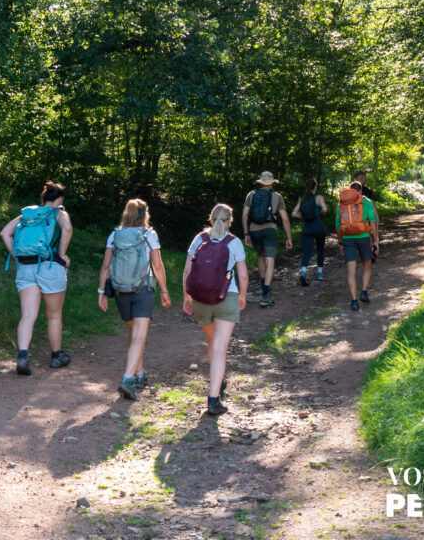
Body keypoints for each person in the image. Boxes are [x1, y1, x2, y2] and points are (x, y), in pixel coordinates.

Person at [98, 198, 171, 400]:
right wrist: (164, 290)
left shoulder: (115, 235)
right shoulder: (149, 234)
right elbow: (157, 265)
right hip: (143, 290)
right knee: (139, 335)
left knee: (132, 333)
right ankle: (128, 378)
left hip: (121, 290)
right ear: (145, 215)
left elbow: (105, 266)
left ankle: (139, 373)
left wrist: (101, 291)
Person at [0, 180, 73, 376]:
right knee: (54, 315)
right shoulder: (59, 212)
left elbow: (5, 232)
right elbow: (66, 228)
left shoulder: (28, 214)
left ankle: (23, 356)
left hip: (26, 268)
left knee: (28, 315)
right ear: (59, 198)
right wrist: (63, 253)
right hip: (50, 266)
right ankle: (57, 356)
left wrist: (15, 254)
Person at [183, 203, 248, 416]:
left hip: (200, 299)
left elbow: (187, 270)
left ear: (211, 220)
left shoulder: (199, 239)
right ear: (230, 222)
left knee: (212, 341)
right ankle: (213, 399)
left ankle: (218, 381)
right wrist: (242, 296)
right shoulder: (234, 242)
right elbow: (243, 275)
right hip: (226, 297)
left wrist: (187, 296)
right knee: (220, 347)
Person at [241, 170, 292, 307]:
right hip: (270, 230)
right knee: (270, 259)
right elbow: (285, 219)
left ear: (261, 182)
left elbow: (245, 215)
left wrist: (246, 234)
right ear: (271, 183)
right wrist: (289, 237)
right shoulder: (277, 196)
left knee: (261, 255)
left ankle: (263, 284)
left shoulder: (251, 195)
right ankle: (266, 294)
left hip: (254, 230)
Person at [336, 180, 379, 311]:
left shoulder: (342, 203)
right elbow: (373, 221)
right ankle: (364, 292)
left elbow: (338, 226)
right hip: (364, 238)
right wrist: (375, 240)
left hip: (348, 239)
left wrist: (340, 242)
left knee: (351, 271)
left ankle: (354, 301)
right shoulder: (366, 202)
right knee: (367, 265)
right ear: (361, 191)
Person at [291, 178, 328, 284]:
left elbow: (293, 213)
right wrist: (319, 214)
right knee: (320, 249)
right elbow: (324, 209)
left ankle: (303, 272)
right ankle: (320, 273)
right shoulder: (319, 197)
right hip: (318, 226)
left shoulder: (303, 199)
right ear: (315, 186)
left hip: (307, 227)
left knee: (307, 251)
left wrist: (303, 216)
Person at [353, 169, 380, 260]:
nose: (365, 180)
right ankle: (370, 253)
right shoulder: (366, 190)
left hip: (353, 218)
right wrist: (376, 215)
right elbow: (372, 204)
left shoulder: (349, 191)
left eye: (365, 178)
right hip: (366, 216)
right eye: (363, 178)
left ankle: (365, 253)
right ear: (359, 178)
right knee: (369, 234)